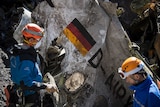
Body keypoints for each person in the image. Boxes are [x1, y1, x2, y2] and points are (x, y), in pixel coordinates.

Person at [7, 23, 56, 106]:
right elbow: (26, 83)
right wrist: (45, 86)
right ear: (31, 40)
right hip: (28, 99)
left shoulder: (18, 51)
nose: (38, 42)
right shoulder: (25, 58)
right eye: (37, 40)